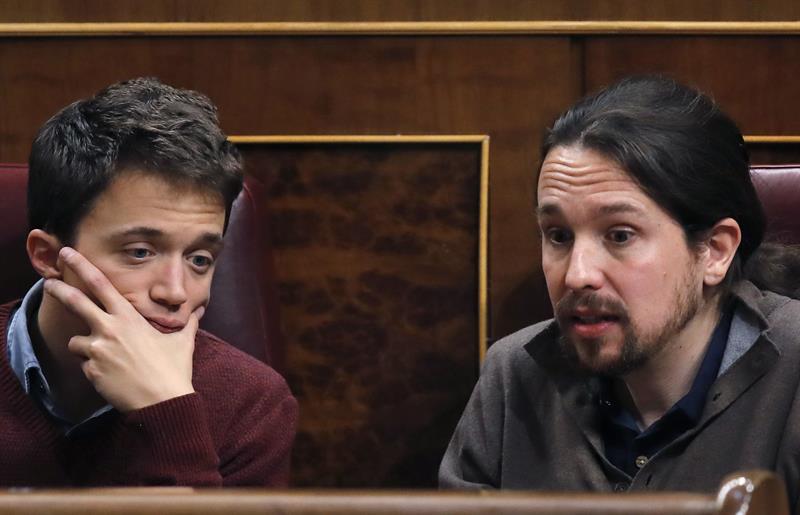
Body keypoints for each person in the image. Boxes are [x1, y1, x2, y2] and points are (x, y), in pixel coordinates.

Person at [439, 76, 800, 509]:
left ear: (714, 251)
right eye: (558, 235)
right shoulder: (512, 375)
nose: (577, 275)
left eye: (620, 235)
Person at [1, 77, 297, 486]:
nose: (175, 292)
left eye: (199, 259)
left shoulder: (252, 403)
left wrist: (166, 411)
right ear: (48, 257)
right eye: (139, 252)